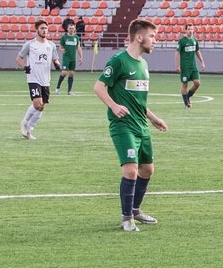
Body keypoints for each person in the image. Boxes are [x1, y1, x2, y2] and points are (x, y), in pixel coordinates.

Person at [93, 18, 167, 231]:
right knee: (131, 171)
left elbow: (138, 101)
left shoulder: (143, 65)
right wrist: (114, 106)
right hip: (123, 126)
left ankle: (135, 209)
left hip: (141, 125)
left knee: (147, 170)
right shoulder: (118, 61)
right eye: (152, 36)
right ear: (138, 37)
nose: (155, 41)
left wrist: (154, 119)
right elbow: (98, 87)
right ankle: (127, 219)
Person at [16, 20, 58, 140]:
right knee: (37, 103)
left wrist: (57, 64)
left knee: (42, 106)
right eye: (42, 28)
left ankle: (30, 129)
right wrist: (24, 67)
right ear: (37, 30)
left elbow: (55, 59)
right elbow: (19, 58)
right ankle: (24, 123)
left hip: (46, 79)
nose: (44, 30)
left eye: (46, 28)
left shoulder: (51, 45)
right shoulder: (30, 45)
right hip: (33, 78)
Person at [176, 23, 206, 109]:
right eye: (188, 29)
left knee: (197, 83)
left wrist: (202, 62)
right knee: (184, 85)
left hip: (193, 66)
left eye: (191, 29)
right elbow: (177, 52)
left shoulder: (194, 40)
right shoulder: (182, 41)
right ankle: (186, 103)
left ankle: (187, 96)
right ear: (185, 30)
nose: (190, 31)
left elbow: (197, 51)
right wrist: (177, 65)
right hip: (185, 67)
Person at [56, 23, 83, 96]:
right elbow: (60, 47)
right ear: (67, 29)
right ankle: (58, 88)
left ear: (74, 29)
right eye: (70, 28)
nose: (71, 30)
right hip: (66, 58)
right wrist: (61, 50)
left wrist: (81, 57)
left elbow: (78, 48)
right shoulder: (64, 37)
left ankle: (69, 91)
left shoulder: (76, 38)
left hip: (73, 58)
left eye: (72, 28)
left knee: (71, 74)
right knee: (64, 72)